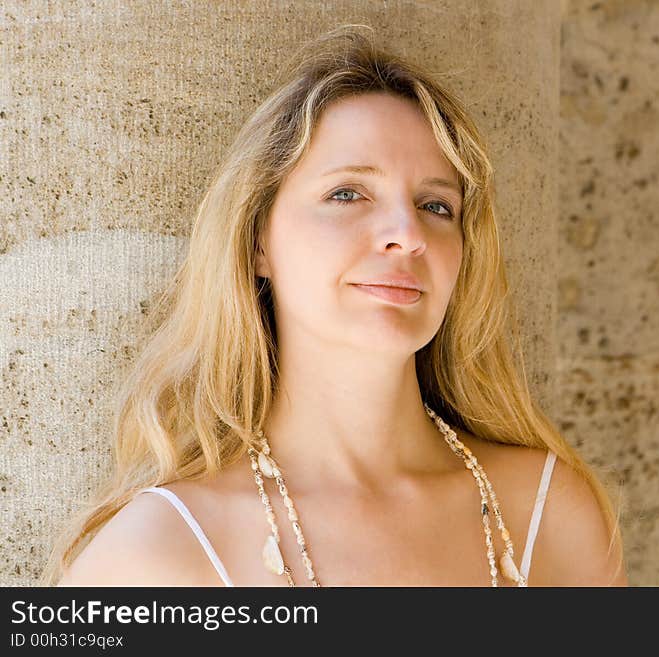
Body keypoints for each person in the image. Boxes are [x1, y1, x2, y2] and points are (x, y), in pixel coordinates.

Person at [43, 25, 627, 587]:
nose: (407, 232)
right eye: (347, 193)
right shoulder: (161, 552)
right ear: (256, 241)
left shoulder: (549, 514)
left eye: (436, 205)